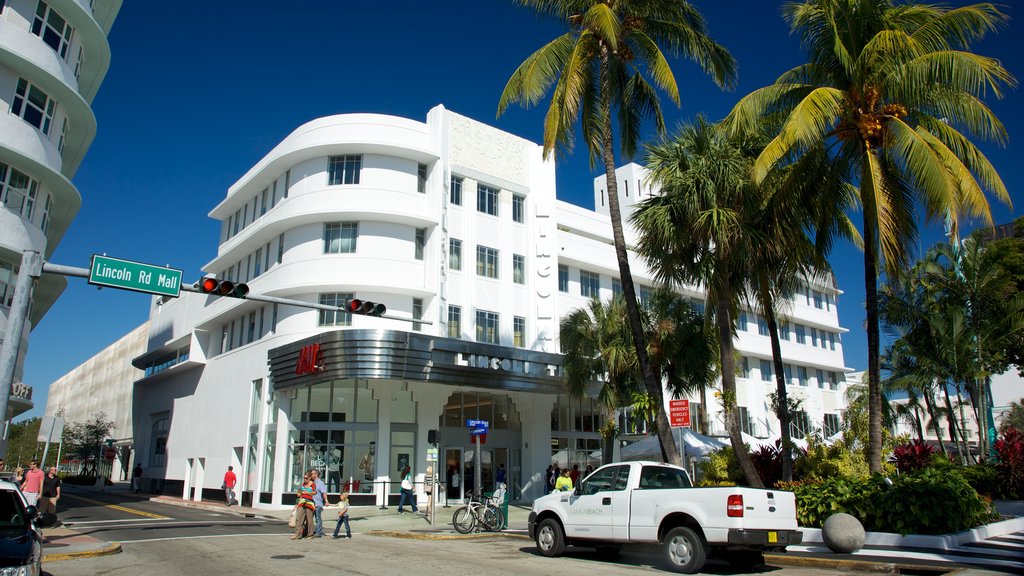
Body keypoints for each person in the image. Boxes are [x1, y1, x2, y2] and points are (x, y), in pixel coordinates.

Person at [290, 473, 316, 539]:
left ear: (310, 478)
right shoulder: (303, 484)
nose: (305, 479)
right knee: (299, 518)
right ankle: (297, 534)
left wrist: (308, 493)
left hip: (309, 502)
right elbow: (300, 493)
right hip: (302, 502)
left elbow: (315, 492)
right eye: (304, 478)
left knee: (309, 520)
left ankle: (310, 534)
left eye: (306, 478)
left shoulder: (312, 484)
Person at [310, 469, 327, 537]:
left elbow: (324, 492)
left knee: (317, 518)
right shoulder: (311, 483)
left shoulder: (320, 483)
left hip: (318, 503)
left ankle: (318, 532)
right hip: (311, 503)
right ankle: (311, 531)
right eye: (312, 474)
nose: (313, 475)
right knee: (310, 517)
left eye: (314, 474)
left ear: (317, 474)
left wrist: (326, 501)